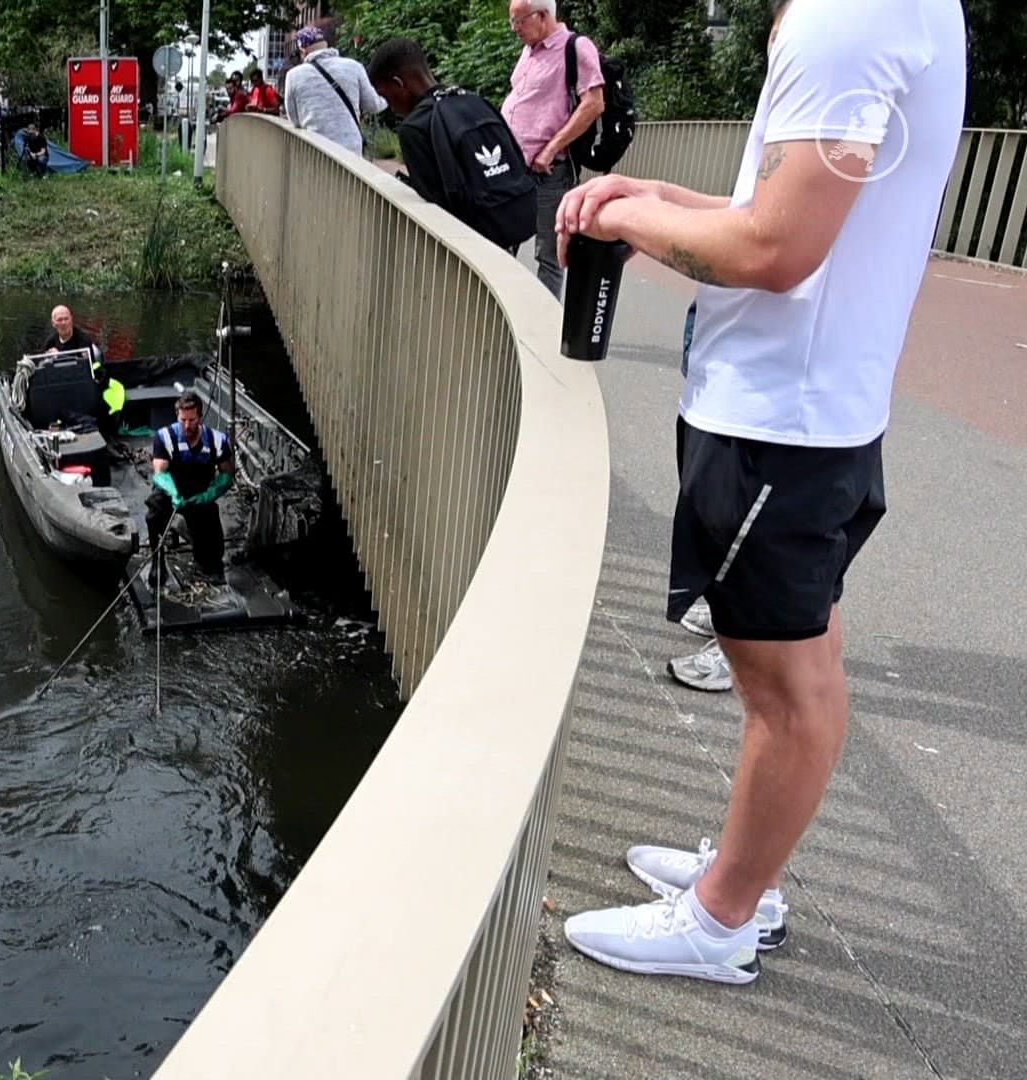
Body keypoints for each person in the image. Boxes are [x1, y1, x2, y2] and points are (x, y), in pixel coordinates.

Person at [556, 0, 966, 985]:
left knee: (786, 691)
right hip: (803, 413)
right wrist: (654, 189)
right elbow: (777, 209)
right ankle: (743, 874)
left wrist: (624, 218)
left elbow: (775, 253)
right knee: (796, 666)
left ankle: (723, 918)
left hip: (781, 424)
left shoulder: (850, 16)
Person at [367, 37, 536, 252]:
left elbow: (435, 208)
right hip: (511, 221)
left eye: (386, 96)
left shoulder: (414, 128)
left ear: (399, 83)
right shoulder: (473, 101)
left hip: (469, 244)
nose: (390, 107)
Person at [501, 0, 604, 295]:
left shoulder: (576, 47)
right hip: (513, 167)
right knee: (502, 243)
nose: (515, 29)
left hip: (548, 171)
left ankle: (543, 331)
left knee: (548, 256)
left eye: (519, 21)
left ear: (542, 16)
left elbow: (594, 103)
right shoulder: (528, 51)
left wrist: (550, 149)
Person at [148, 391, 234, 586]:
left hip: (199, 492)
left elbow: (227, 475)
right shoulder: (164, 437)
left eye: (192, 420)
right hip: (172, 490)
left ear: (200, 417)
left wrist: (209, 495)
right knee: (154, 513)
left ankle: (209, 564)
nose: (187, 425)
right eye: (183, 420)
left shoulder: (217, 441)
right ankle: (157, 561)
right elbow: (160, 472)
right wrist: (173, 492)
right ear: (177, 416)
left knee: (210, 522)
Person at [282, 25, 386, 156]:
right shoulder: (354, 67)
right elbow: (374, 105)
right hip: (350, 150)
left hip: (314, 150)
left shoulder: (293, 75)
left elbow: (294, 120)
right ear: (325, 45)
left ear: (303, 50)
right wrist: (387, 98)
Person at [41, 305, 125, 438]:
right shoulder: (50, 342)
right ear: (53, 323)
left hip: (81, 386)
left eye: (66, 319)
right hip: (57, 386)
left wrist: (60, 356)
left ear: (71, 320)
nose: (63, 323)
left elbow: (85, 369)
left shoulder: (83, 340)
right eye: (59, 320)